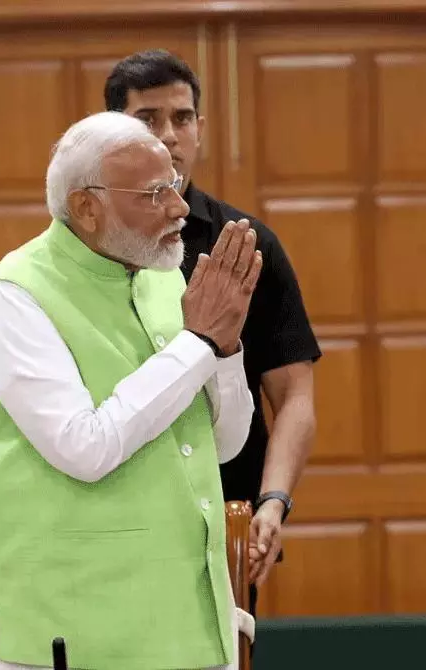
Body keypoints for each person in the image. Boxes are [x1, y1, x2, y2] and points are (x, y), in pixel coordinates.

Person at [0, 111, 259, 669]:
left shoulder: (163, 275)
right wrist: (198, 343)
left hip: (192, 624)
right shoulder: (15, 296)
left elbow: (223, 445)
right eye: (155, 193)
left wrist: (227, 349)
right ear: (87, 207)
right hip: (78, 632)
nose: (180, 207)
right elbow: (84, 447)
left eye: (175, 186)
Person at [104, 49, 322, 604]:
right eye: (147, 119)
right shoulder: (89, 248)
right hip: (111, 522)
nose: (168, 136)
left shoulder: (245, 243)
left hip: (224, 520)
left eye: (182, 118)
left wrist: (274, 501)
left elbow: (293, 395)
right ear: (112, 132)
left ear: (200, 127)